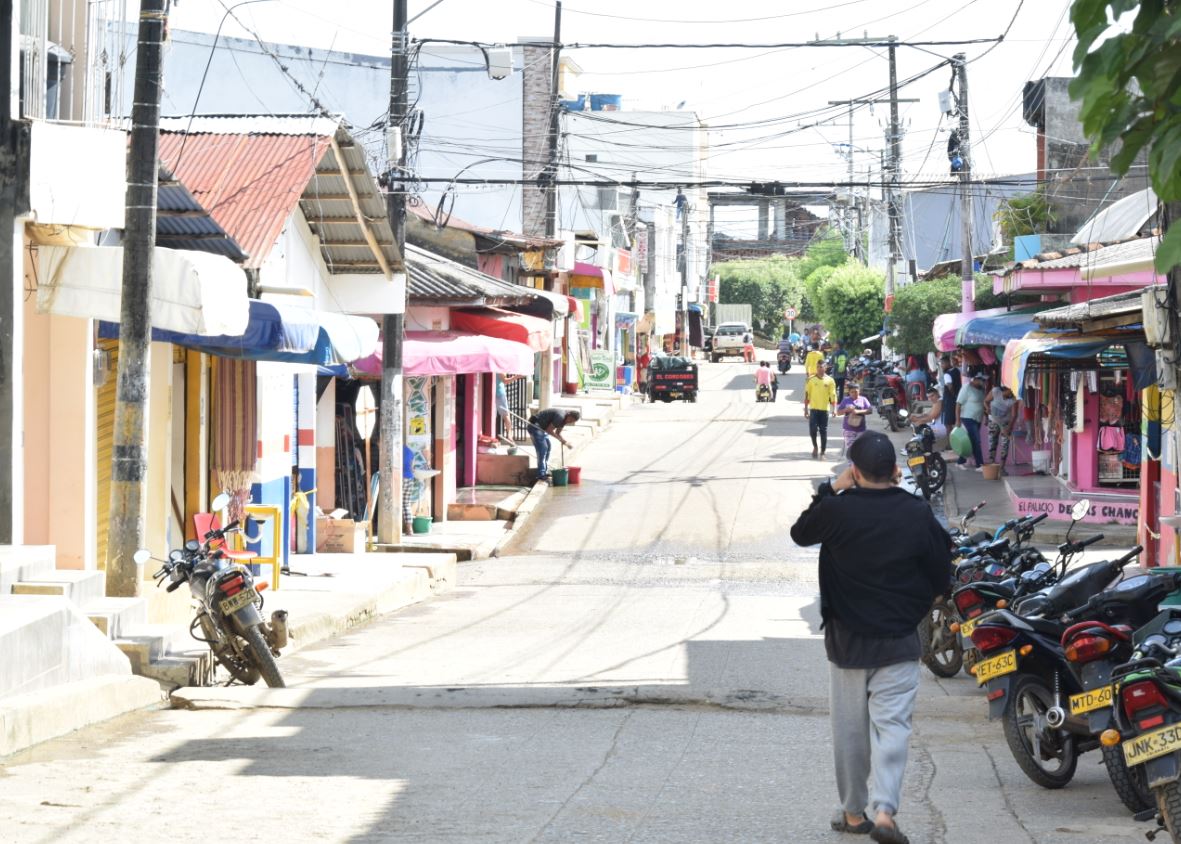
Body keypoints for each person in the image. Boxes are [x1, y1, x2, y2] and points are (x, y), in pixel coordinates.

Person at [790, 432, 952, 844]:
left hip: (847, 641)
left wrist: (831, 488)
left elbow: (800, 532)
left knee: (850, 730)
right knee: (893, 728)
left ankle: (852, 812)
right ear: (897, 472)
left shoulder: (837, 511)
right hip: (899, 640)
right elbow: (941, 572)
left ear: (855, 471)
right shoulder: (917, 512)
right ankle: (884, 812)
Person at [527, 407, 581, 482]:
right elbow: (549, 430)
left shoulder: (564, 420)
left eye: (572, 421)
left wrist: (565, 442)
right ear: (569, 414)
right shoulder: (560, 416)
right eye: (570, 419)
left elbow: (558, 433)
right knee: (543, 449)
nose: (570, 421)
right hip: (535, 427)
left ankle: (544, 471)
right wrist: (561, 440)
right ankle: (541, 474)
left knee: (548, 447)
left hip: (542, 429)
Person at [804, 360, 838, 458]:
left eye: (821, 367)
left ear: (825, 367)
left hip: (824, 410)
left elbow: (833, 395)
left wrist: (834, 409)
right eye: (818, 367)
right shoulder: (810, 380)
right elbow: (807, 395)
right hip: (813, 409)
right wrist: (806, 409)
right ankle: (815, 446)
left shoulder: (830, 380)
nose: (819, 369)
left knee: (823, 431)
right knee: (813, 430)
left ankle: (823, 452)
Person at [955, 372, 988, 471]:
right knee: (976, 441)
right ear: (975, 379)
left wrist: (985, 417)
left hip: (977, 418)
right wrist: (957, 420)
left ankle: (960, 461)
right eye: (982, 380)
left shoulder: (981, 390)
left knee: (970, 441)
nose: (984, 382)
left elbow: (983, 404)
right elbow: (958, 404)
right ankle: (980, 464)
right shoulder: (966, 388)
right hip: (967, 418)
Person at [984, 384, 1018, 472]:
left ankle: (1002, 467)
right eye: (1010, 390)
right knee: (992, 443)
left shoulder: (1013, 399)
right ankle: (992, 466)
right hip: (993, 421)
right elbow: (986, 401)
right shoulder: (995, 391)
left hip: (1005, 423)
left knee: (1005, 445)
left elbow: (1014, 415)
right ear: (1005, 389)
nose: (1012, 392)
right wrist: (987, 409)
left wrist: (1008, 428)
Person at [836, 381, 873, 454]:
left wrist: (858, 412)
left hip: (861, 429)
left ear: (859, 391)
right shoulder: (845, 400)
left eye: (856, 392)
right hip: (848, 430)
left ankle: (858, 465)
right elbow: (838, 412)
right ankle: (852, 465)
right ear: (849, 392)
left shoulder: (863, 399)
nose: (854, 394)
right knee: (851, 451)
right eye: (852, 392)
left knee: (861, 451)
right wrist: (847, 410)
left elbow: (870, 410)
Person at [938, 355, 961, 432]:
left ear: (948, 363)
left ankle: (950, 443)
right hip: (957, 399)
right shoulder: (956, 370)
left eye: (943, 364)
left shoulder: (947, 374)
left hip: (949, 401)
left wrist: (953, 395)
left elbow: (950, 387)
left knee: (947, 424)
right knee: (954, 422)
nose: (941, 366)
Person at [495, 374, 518, 445]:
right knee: (504, 415)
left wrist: (515, 377)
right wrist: (516, 377)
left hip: (499, 394)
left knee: (506, 415)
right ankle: (509, 436)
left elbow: (505, 380)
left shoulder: (499, 368)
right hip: (495, 393)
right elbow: (505, 381)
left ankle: (510, 436)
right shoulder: (497, 367)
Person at [402, 443, 417, 536]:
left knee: (396, 503)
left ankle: (396, 529)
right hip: (410, 479)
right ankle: (409, 530)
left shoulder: (397, 451)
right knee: (406, 504)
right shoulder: (410, 452)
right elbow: (412, 468)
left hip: (401, 478)